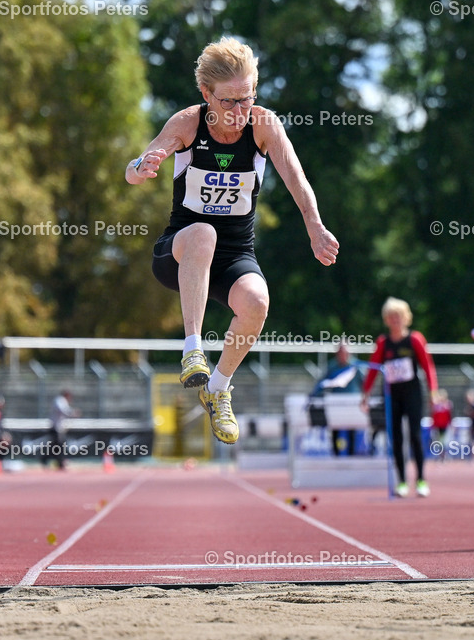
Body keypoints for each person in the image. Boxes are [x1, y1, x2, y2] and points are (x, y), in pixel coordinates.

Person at [127, 37, 340, 445]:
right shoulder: (187, 124)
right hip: (180, 252)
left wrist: (315, 227)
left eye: (247, 98)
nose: (239, 112)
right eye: (229, 102)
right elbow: (133, 170)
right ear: (206, 94)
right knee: (204, 232)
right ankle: (193, 348)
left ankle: (218, 388)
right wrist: (141, 167)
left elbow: (297, 180)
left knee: (257, 303)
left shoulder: (263, 126)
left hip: (233, 257)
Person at [360, 298, 438, 498]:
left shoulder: (415, 339)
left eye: (399, 316)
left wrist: (433, 391)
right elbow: (373, 369)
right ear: (386, 320)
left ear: (406, 318)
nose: (395, 320)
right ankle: (402, 481)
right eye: (391, 317)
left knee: (415, 435)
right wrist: (365, 394)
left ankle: (421, 480)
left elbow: (427, 365)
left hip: (412, 393)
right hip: (391, 395)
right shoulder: (383, 343)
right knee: (395, 438)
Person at [311, 342, 366, 456]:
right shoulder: (332, 367)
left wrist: (365, 398)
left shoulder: (356, 366)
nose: (342, 355)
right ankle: (336, 454)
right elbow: (322, 384)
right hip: (336, 404)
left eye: (345, 352)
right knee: (335, 429)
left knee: (352, 430)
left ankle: (351, 454)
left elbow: (365, 384)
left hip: (352, 405)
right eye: (340, 352)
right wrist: (316, 396)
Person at [46, 388, 78, 469]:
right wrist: (73, 413)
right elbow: (64, 410)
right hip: (55, 427)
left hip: (59, 428)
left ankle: (58, 462)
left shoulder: (62, 401)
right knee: (58, 445)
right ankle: (58, 462)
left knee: (58, 445)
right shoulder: (59, 400)